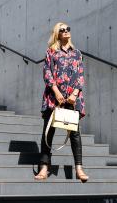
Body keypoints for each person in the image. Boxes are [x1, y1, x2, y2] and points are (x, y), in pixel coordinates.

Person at [34, 22, 89, 182]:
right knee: (48, 132)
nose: (66, 31)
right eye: (62, 30)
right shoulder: (51, 52)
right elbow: (47, 73)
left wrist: (75, 93)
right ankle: (44, 167)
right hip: (54, 98)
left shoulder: (77, 53)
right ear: (57, 34)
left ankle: (79, 168)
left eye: (68, 29)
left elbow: (80, 74)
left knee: (75, 133)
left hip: (72, 99)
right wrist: (57, 92)